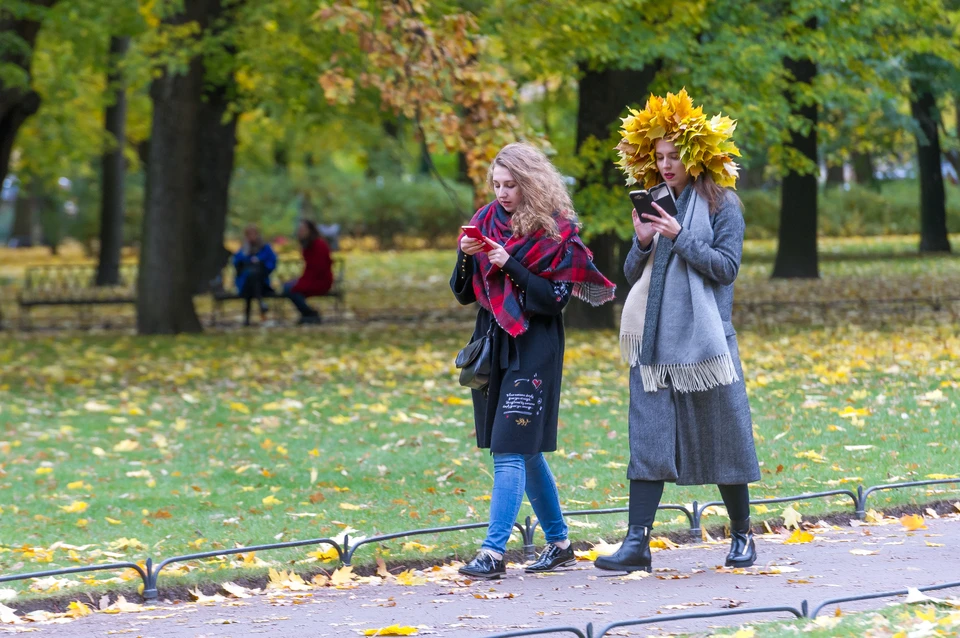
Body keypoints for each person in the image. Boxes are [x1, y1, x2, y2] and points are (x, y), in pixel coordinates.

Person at [595, 89, 761, 573]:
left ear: (695, 157)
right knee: (648, 436)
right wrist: (644, 242)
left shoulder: (723, 204)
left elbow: (725, 268)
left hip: (707, 343)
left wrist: (677, 236)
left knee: (725, 434)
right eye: (659, 157)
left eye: (674, 157)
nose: (665, 165)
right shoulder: (657, 201)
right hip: (652, 342)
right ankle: (636, 544)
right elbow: (632, 274)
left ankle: (743, 536)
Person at [451, 142, 617, 579]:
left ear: (531, 183)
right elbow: (465, 293)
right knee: (523, 453)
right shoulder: (486, 222)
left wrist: (510, 265)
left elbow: (552, 301)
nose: (502, 193)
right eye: (497, 184)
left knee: (508, 448)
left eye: (511, 185)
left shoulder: (557, 232)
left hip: (535, 347)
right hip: (494, 343)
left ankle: (492, 552)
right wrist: (466, 257)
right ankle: (560, 544)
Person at [284, 219, 333, 325]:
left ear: (310, 230)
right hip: (312, 279)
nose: (300, 232)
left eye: (303, 229)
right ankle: (308, 314)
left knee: (290, 289)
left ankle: (310, 314)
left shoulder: (319, 244)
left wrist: (301, 281)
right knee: (287, 286)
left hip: (320, 281)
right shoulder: (308, 245)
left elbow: (319, 268)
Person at [233, 225, 277, 326]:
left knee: (254, 276)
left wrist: (259, 261)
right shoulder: (244, 249)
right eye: (249, 234)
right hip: (245, 284)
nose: (251, 237)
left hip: (262, 283)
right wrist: (246, 257)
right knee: (251, 278)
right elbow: (236, 263)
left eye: (253, 234)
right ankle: (260, 303)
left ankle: (247, 319)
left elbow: (271, 263)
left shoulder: (265, 248)